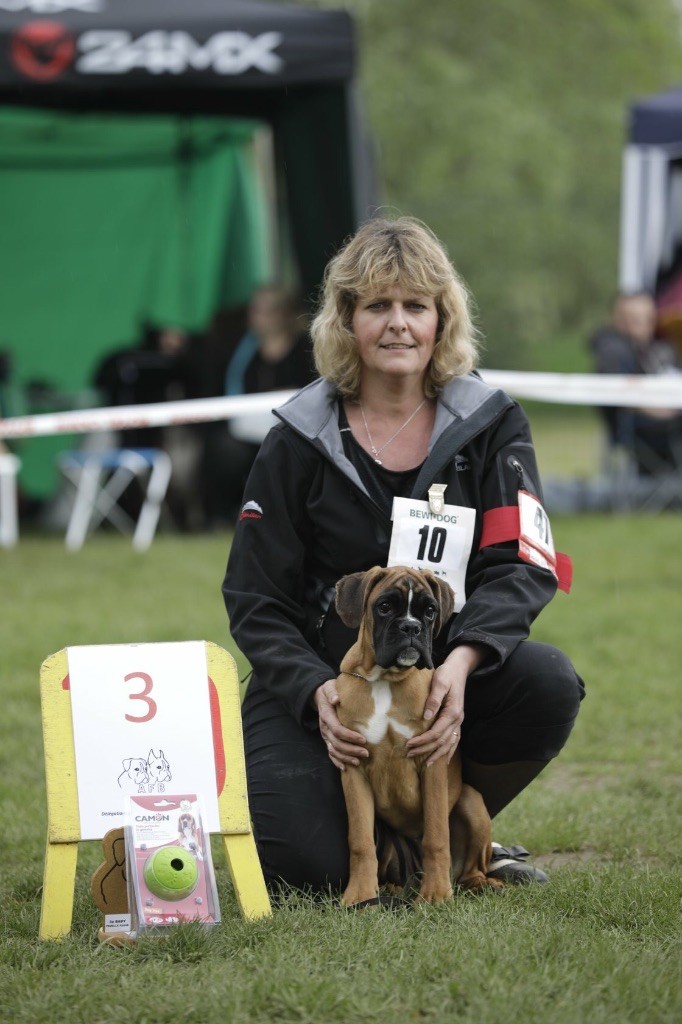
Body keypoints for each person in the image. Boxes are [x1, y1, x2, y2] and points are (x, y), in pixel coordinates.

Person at [223, 217, 585, 896]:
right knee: (305, 871)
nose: (398, 324)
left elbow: (523, 563)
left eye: (416, 306)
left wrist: (463, 659)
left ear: (441, 321)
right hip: (324, 687)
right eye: (377, 306)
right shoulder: (297, 438)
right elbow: (254, 598)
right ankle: (378, 846)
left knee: (548, 682)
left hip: (443, 675)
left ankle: (447, 839)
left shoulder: (492, 423)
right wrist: (313, 691)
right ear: (345, 320)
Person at [201, 285, 315, 525]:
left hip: (294, 429)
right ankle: (224, 516)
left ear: (284, 314)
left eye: (265, 310)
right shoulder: (240, 350)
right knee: (222, 449)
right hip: (247, 431)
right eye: (254, 310)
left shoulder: (307, 348)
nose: (257, 317)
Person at [589, 292, 682, 475]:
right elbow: (625, 399)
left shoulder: (649, 348)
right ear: (620, 321)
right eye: (637, 319)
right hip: (641, 428)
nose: (647, 325)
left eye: (649, 319)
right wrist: (669, 410)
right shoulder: (615, 352)